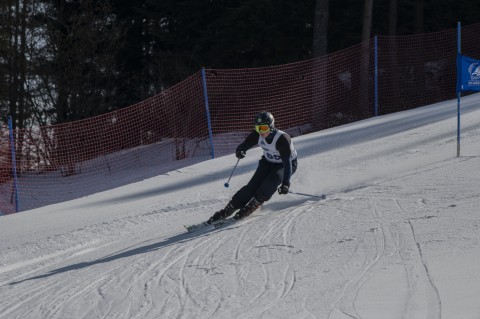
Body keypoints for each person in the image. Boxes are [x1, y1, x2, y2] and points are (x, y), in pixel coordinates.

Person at [207, 111, 298, 223]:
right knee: (251, 187)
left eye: (264, 128)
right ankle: (229, 208)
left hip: (285, 164)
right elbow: (244, 145)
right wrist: (240, 151)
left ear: (271, 126)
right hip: (268, 162)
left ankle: (254, 204)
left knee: (271, 181)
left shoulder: (282, 139)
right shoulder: (257, 134)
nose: (261, 132)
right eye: (258, 128)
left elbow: (287, 163)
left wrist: (286, 183)